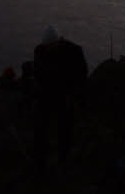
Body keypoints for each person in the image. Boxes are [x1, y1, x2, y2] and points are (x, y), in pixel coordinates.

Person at [32, 25, 88, 168]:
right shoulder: (40, 51)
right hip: (47, 95)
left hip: (65, 96)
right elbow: (38, 73)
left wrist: (74, 96)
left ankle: (63, 158)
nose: (48, 48)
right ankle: (41, 160)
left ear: (58, 41)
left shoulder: (74, 51)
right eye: (47, 46)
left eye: (51, 45)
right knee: (41, 128)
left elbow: (81, 75)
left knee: (65, 128)